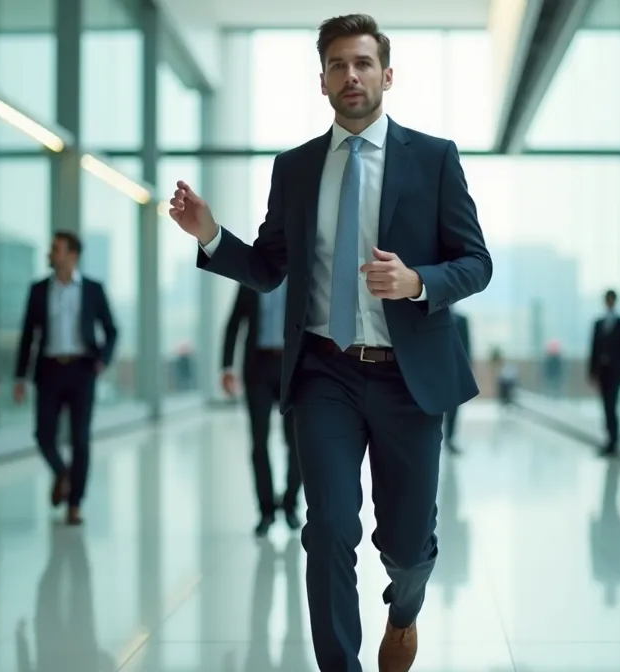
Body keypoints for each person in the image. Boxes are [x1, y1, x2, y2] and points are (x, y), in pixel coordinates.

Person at [167, 14, 491, 671]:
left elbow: (476, 263)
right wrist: (210, 235)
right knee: (329, 528)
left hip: (409, 378)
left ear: (387, 75)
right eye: (339, 64)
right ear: (322, 81)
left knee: (403, 546)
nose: (352, 75)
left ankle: (404, 610)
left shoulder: (434, 159)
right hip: (325, 374)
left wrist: (416, 281)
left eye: (364, 63)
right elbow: (267, 268)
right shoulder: (295, 169)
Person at [13, 231, 118, 526]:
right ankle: (63, 474)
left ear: (72, 255)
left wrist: (102, 361)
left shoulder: (93, 290)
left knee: (80, 438)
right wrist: (20, 377)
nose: (50, 253)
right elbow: (27, 336)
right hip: (48, 370)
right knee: (43, 435)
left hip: (82, 370)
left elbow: (111, 330)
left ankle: (75, 505)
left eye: (56, 249)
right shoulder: (38, 290)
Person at [222, 283, 303, 536]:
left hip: (293, 369)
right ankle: (266, 511)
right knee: (258, 442)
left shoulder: (303, 273)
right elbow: (234, 323)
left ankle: (290, 505)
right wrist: (226, 367)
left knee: (297, 442)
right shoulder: (252, 276)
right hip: (257, 367)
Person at [588, 289, 620, 456]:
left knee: (612, 404)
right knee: (605, 406)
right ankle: (609, 439)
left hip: (617, 372)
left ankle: (614, 441)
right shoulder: (598, 323)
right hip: (602, 372)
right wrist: (592, 371)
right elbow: (593, 349)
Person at [443, 310, 473, 454]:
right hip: (434, 368)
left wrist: (466, 369)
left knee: (454, 407)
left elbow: (467, 345)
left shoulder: (461, 319)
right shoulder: (429, 315)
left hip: (455, 369)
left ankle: (449, 439)